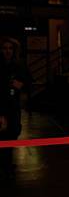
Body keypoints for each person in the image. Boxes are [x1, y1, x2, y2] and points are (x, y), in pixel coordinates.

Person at [0, 36, 31, 181]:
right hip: (1, 106)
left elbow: (29, 81)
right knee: (4, 135)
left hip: (13, 106)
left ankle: (7, 163)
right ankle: (5, 166)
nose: (7, 51)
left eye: (10, 48)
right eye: (5, 48)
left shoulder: (18, 65)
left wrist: (21, 85)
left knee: (13, 132)